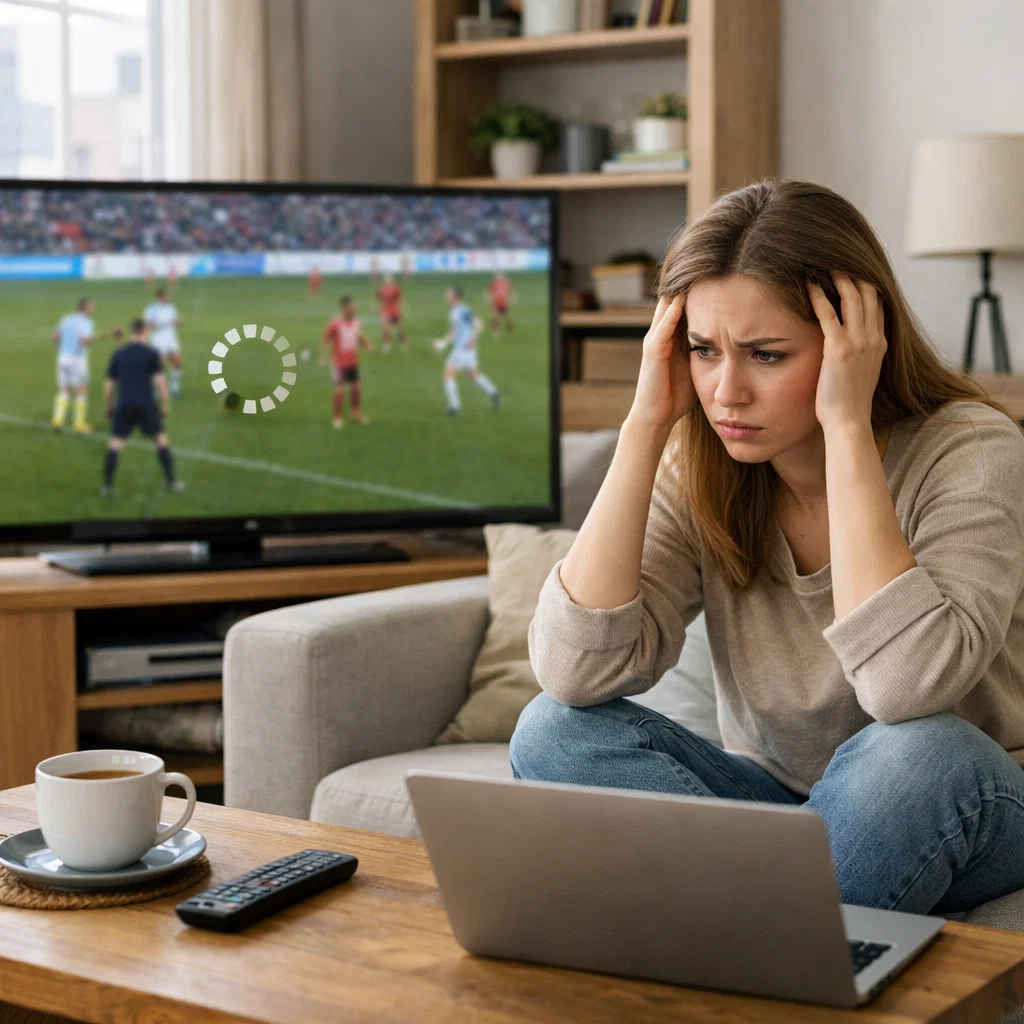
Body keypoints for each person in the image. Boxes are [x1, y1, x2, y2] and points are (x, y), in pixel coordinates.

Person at [511, 177, 1024, 918]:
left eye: (766, 354)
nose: (727, 392)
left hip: (964, 796)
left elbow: (908, 694)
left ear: (857, 343)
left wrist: (847, 428)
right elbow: (572, 672)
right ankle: (775, 923)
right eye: (703, 350)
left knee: (917, 753)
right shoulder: (700, 460)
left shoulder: (972, 450)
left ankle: (738, 930)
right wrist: (644, 426)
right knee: (553, 732)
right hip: (783, 802)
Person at [102, 318, 184, 496]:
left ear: (132, 332)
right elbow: (160, 381)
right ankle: (172, 482)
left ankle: (107, 487)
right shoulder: (151, 353)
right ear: (144, 333)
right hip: (146, 404)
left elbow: (109, 385)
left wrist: (109, 406)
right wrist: (165, 403)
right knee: (161, 441)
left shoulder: (118, 354)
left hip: (124, 404)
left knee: (115, 444)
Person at [51, 297, 119, 434]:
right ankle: (79, 424)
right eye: (92, 306)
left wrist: (66, 345)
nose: (93, 309)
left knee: (64, 389)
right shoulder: (87, 322)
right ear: (85, 308)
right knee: (82, 390)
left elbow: (55, 338)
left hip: (63, 357)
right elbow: (84, 341)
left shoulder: (66, 319)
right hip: (77, 359)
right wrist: (104, 336)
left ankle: (57, 420)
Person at [437, 285, 500, 416]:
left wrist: (442, 343)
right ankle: (493, 392)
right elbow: (479, 325)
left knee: (447, 375)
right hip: (469, 350)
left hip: (461, 350)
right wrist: (473, 339)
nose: (446, 297)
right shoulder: (465, 309)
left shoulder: (455, 312)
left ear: (454, 297)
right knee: (474, 376)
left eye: (448, 295)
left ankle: (455, 406)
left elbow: (454, 334)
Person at [321, 295, 373, 428]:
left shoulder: (356, 321)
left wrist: (367, 345)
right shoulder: (335, 323)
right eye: (351, 307)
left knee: (356, 388)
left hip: (353, 361)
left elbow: (358, 336)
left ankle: (355, 412)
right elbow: (326, 339)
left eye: (354, 306)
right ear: (344, 308)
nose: (354, 309)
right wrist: (323, 358)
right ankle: (337, 417)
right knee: (340, 390)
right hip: (339, 363)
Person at [143, 288, 183, 397]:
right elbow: (148, 325)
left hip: (171, 339)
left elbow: (176, 321)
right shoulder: (151, 309)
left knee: (177, 362)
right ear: (159, 297)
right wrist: (156, 325)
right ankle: (154, 390)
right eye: (165, 296)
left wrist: (178, 321)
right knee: (159, 365)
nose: (167, 298)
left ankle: (174, 388)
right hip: (158, 340)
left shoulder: (171, 307)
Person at [376, 273, 406, 353]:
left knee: (399, 328)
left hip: (395, 311)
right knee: (385, 329)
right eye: (386, 279)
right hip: (385, 311)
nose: (387, 281)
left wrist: (401, 309)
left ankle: (402, 343)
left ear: (391, 280)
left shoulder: (396, 288)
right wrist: (379, 311)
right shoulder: (381, 289)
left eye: (389, 279)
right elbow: (378, 298)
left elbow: (400, 298)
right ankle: (386, 345)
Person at [486, 271, 514, 337]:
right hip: (495, 303)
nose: (498, 277)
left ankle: (509, 327)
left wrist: (511, 297)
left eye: (499, 275)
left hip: (504, 302)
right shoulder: (493, 283)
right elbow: (489, 291)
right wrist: (488, 298)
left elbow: (511, 291)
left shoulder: (506, 283)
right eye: (497, 276)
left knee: (507, 317)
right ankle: (496, 331)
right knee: (494, 317)